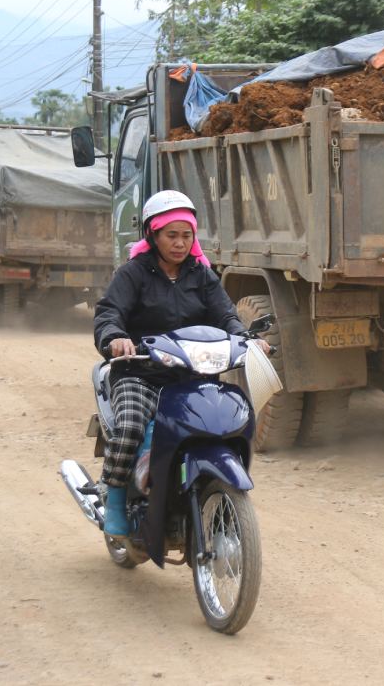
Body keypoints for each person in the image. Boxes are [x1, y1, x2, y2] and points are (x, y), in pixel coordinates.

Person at [92, 190, 268, 536]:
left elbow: (226, 315)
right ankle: (113, 498)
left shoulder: (201, 275)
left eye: (186, 235)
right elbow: (109, 312)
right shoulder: (133, 274)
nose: (180, 243)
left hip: (191, 376)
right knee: (129, 426)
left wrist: (246, 339)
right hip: (141, 373)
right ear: (152, 235)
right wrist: (115, 338)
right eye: (171, 235)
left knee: (227, 423)